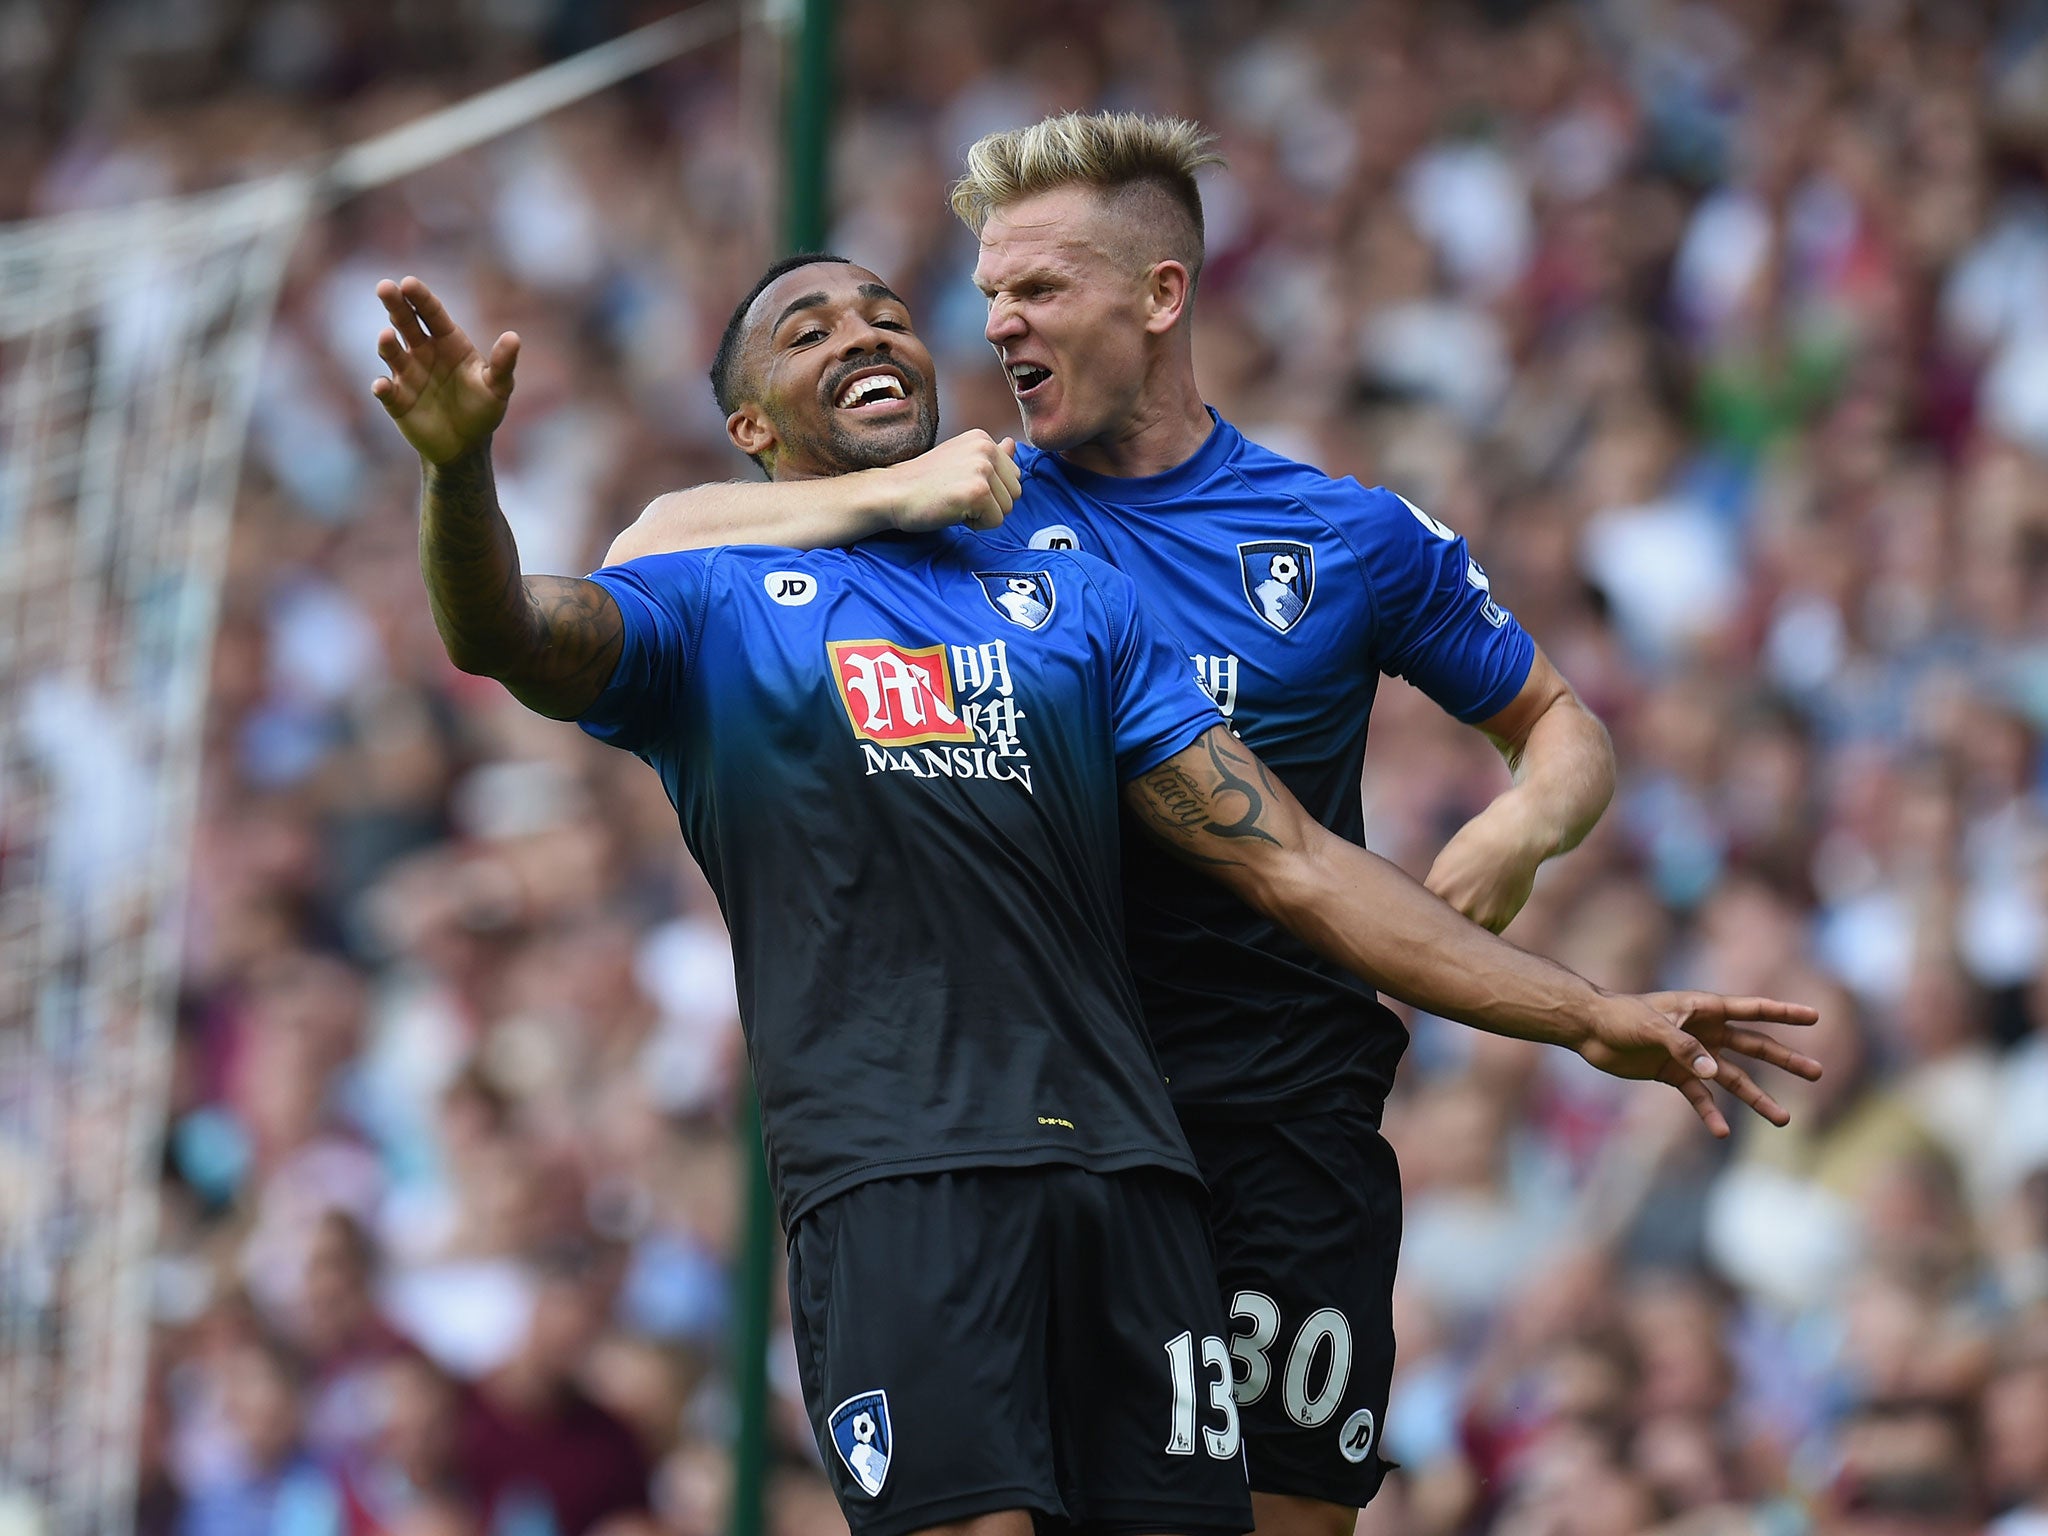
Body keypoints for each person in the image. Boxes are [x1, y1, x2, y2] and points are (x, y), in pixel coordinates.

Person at [368, 258, 1816, 1536]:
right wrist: (457, 474)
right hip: (901, 1174)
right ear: (753, 429)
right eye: (808, 331)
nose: (863, 334)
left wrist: (1583, 1014)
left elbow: (1295, 863)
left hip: (1133, 1182)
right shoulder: (712, 603)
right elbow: (512, 626)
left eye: (884, 313)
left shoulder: (1073, 605)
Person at [607, 111, 1628, 1533]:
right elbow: (655, 552)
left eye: (1035, 290)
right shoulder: (965, 520)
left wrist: (1527, 829)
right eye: (987, 293)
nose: (995, 321)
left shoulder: (1345, 534)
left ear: (1159, 297)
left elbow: (1566, 731)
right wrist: (886, 488)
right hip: (1067, 1117)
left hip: (1285, 1115)